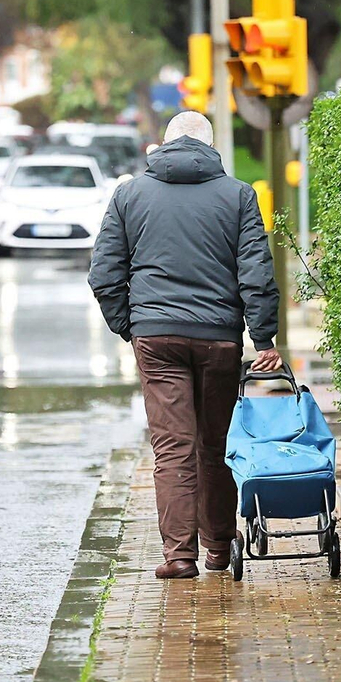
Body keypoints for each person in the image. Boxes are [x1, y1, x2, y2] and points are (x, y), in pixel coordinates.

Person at [88, 111, 281, 579]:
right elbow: (255, 271)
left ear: (164, 144)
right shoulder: (238, 195)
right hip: (218, 338)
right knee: (213, 447)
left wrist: (131, 327)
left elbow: (104, 273)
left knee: (173, 448)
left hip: (157, 338)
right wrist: (263, 336)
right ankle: (219, 549)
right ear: (211, 147)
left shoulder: (130, 194)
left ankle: (179, 556)